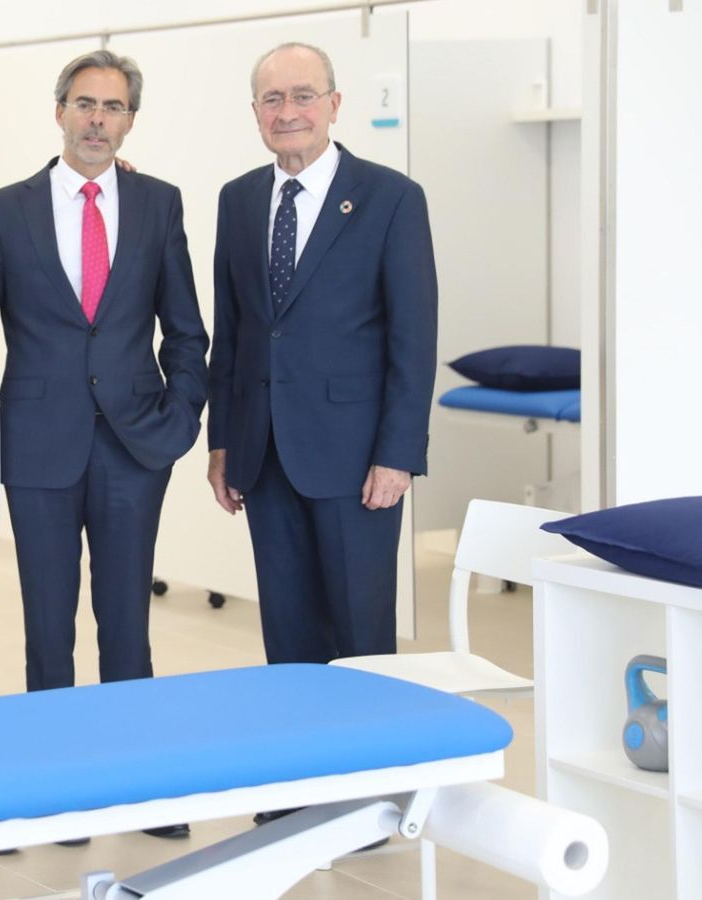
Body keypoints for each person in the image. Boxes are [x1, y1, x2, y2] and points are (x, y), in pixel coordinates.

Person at [207, 42, 438, 670]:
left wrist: (398, 455)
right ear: (255, 110)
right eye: (273, 99)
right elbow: (231, 333)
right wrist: (222, 442)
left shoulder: (391, 198)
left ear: (334, 104)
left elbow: (413, 342)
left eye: (303, 95)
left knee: (361, 635)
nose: (288, 111)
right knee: (288, 637)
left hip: (356, 460)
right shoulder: (240, 199)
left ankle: (376, 762)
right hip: (264, 453)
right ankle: (301, 758)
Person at [0, 50, 207, 693]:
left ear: (130, 120)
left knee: (128, 625)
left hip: (136, 444)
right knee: (48, 630)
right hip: (37, 443)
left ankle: (130, 763)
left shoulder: (158, 203)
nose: (97, 119)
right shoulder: (2, 210)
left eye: (113, 107)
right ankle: (55, 767)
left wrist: (181, 416)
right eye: (85, 103)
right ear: (59, 111)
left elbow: (186, 329)